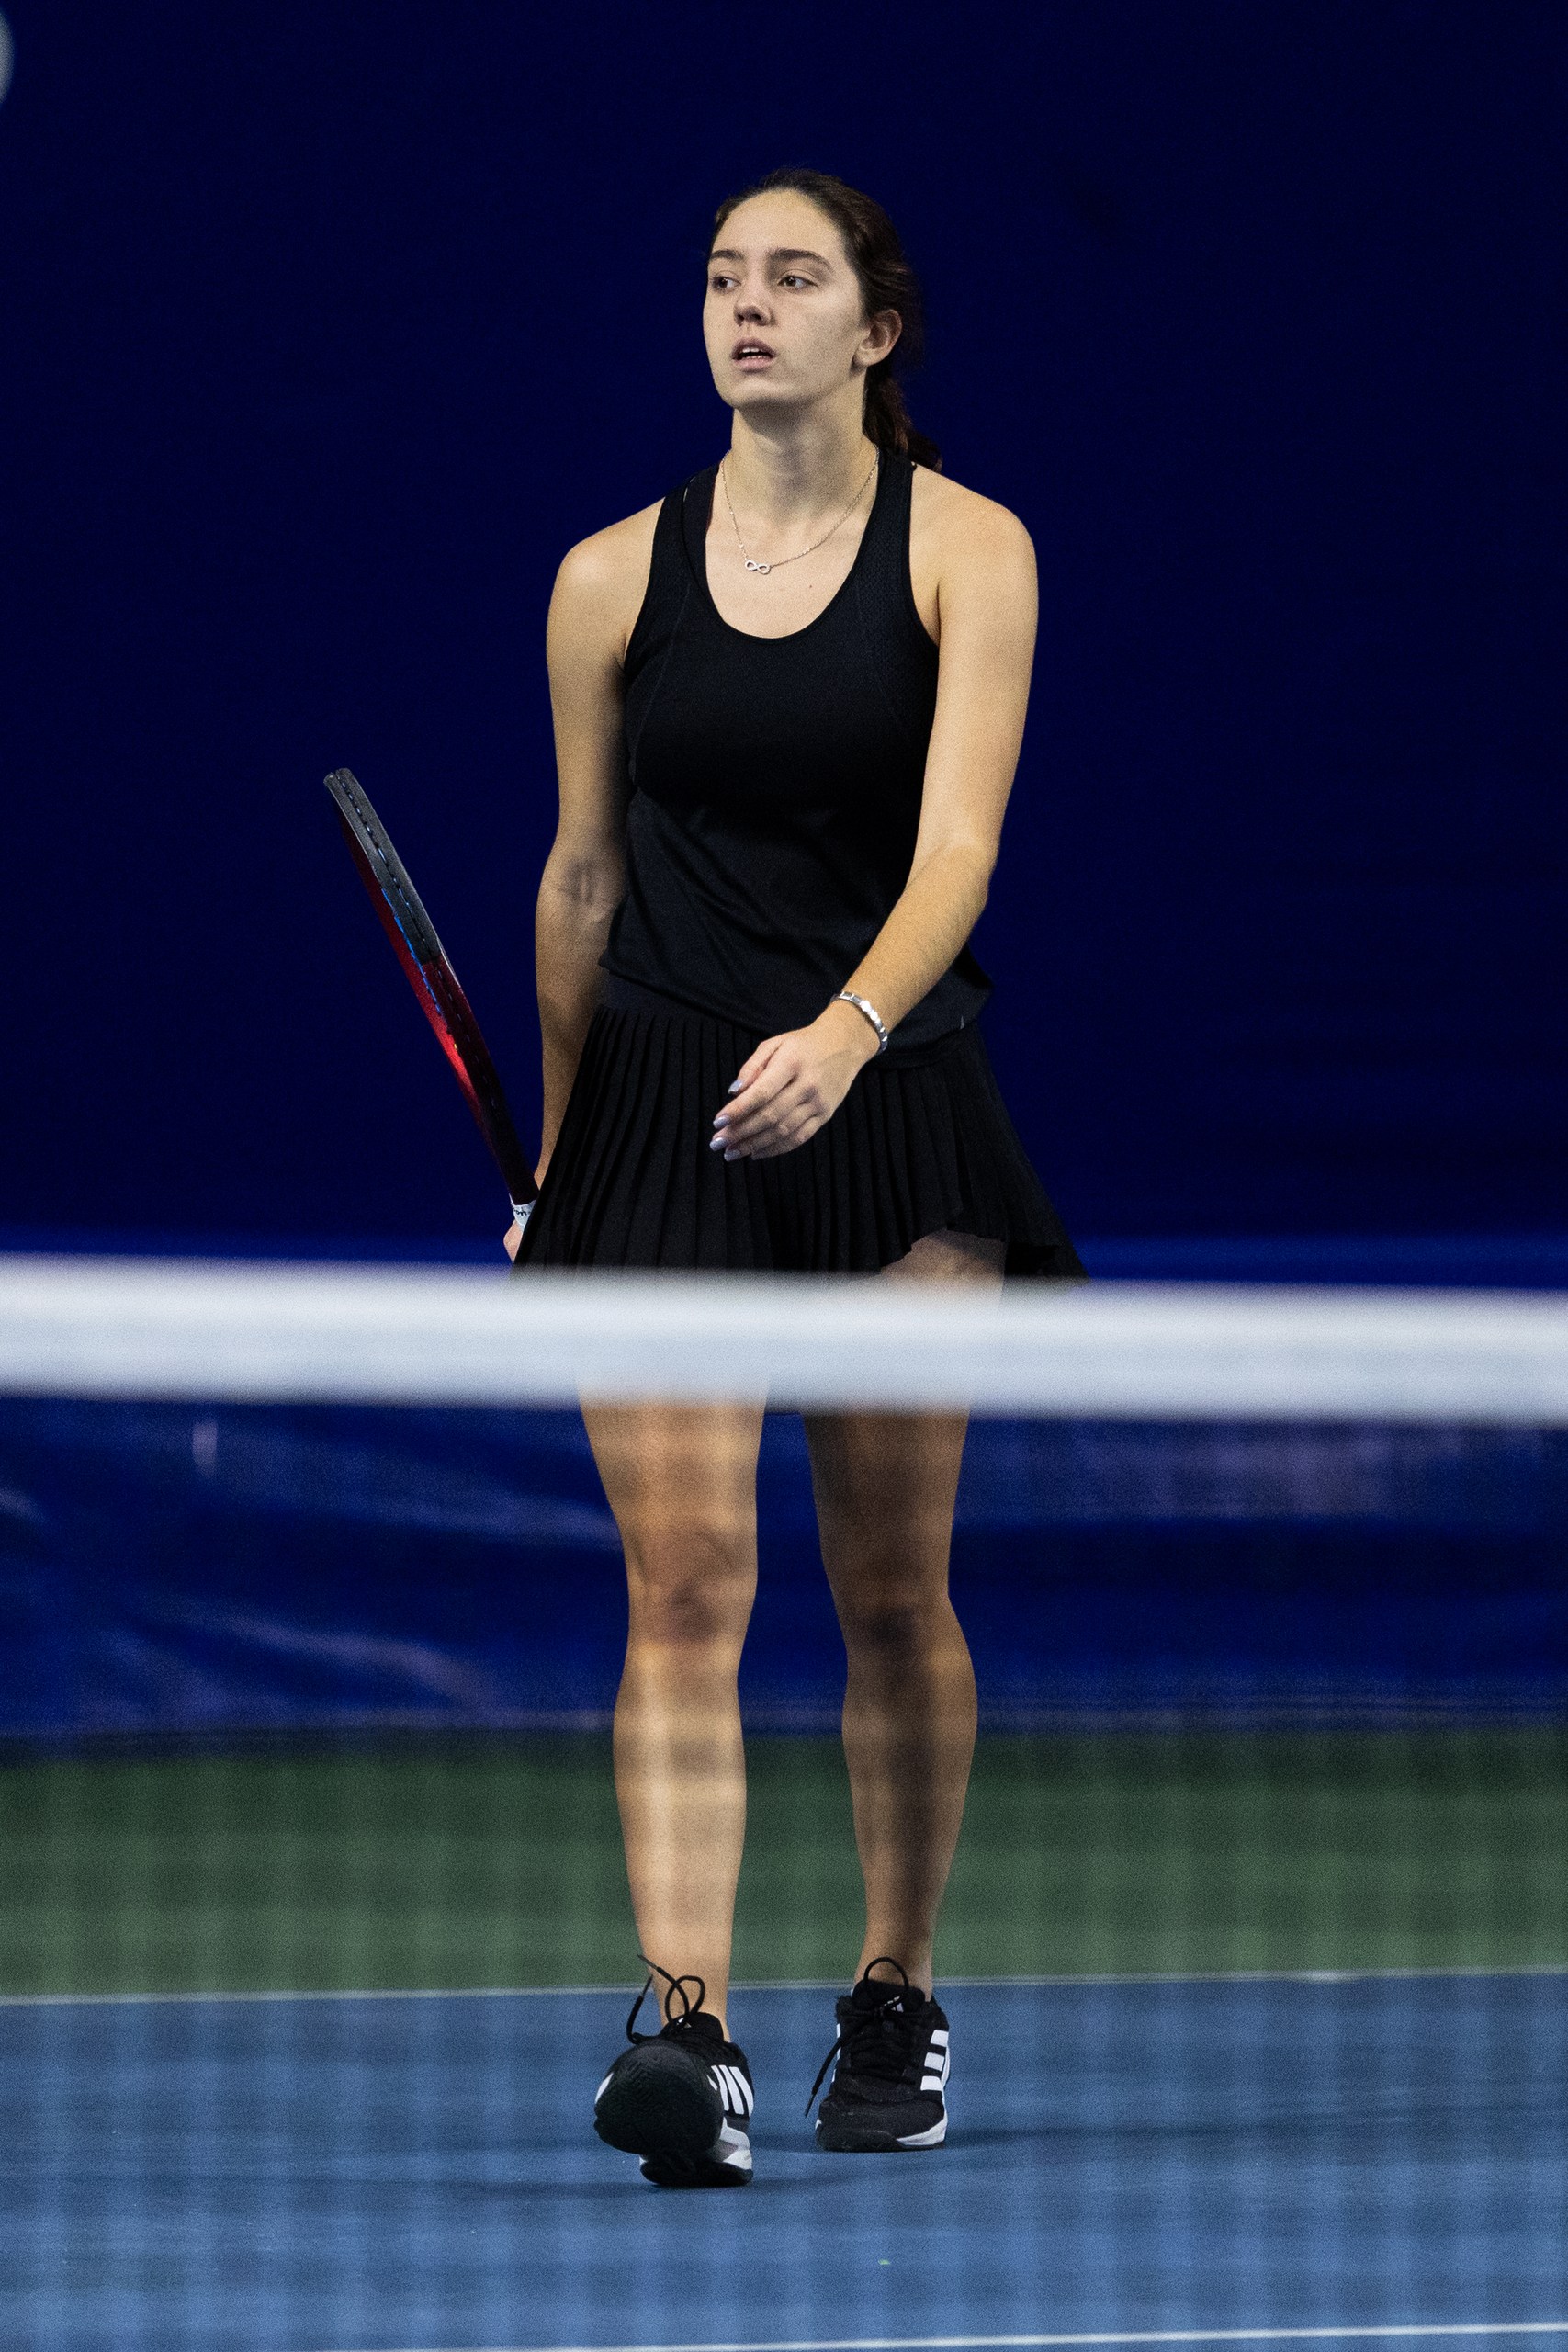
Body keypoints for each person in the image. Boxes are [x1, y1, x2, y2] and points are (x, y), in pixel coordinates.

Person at [507, 166, 1084, 2187]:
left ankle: (893, 1987)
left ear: (874, 328)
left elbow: (959, 854)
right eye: (719, 278)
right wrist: (561, 1160)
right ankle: (687, 2029)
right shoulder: (607, 578)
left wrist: (841, 1037)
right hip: (664, 1117)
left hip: (891, 1102)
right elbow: (582, 882)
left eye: (791, 277)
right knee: (683, 1584)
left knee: (888, 1589)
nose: (744, 306)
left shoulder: (968, 549)